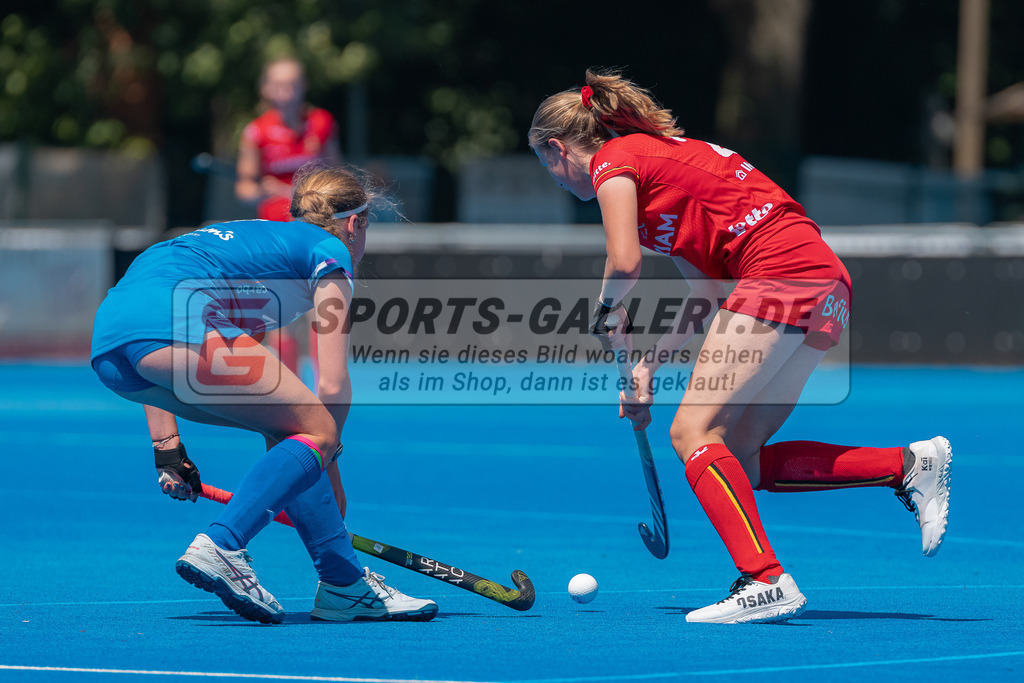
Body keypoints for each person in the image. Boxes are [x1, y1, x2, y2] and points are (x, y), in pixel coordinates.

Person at [529, 69, 952, 624]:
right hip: (823, 281)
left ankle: (765, 579)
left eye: (546, 167)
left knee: (692, 432)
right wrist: (648, 367)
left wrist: (607, 308)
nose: (555, 181)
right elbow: (705, 292)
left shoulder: (615, 162)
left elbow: (623, 263)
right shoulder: (656, 167)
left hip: (781, 274)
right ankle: (907, 465)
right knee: (741, 458)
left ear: (558, 149)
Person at [90, 165, 437, 624]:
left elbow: (147, 326)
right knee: (316, 432)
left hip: (112, 348)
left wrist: (166, 448)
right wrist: (328, 455)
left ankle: (343, 583)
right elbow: (331, 382)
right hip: (171, 325)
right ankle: (224, 544)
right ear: (356, 223)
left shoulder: (254, 247)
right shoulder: (330, 251)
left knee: (290, 430)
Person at [235, 56, 342, 373]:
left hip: (314, 232)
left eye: (293, 84)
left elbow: (337, 175)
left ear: (303, 87)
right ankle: (291, 400)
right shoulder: (256, 133)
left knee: (321, 313)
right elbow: (244, 187)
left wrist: (308, 194)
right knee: (281, 316)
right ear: (267, 89)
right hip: (275, 236)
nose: (286, 92)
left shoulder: (323, 123)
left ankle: (326, 394)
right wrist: (263, 189)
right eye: (279, 85)